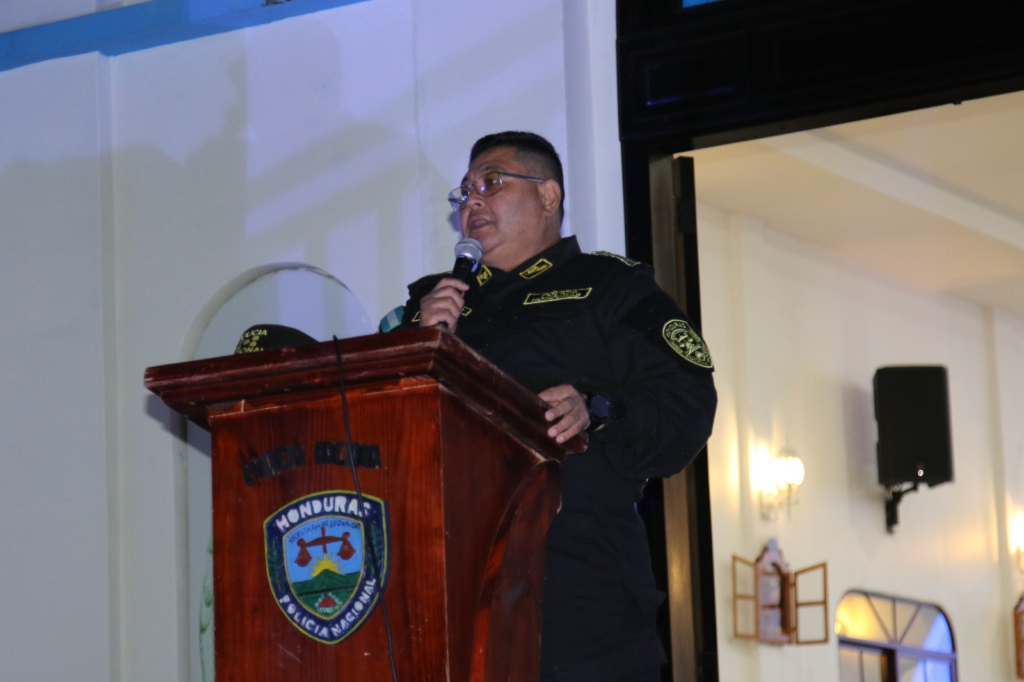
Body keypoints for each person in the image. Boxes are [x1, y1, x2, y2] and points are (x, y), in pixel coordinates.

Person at [382, 131, 716, 682]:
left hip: (579, 591)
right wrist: (421, 345)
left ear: (548, 195)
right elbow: (375, 427)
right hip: (450, 583)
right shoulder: (430, 304)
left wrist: (598, 408)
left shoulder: (611, 288)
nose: (472, 201)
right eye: (464, 191)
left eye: (491, 182)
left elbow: (687, 404)